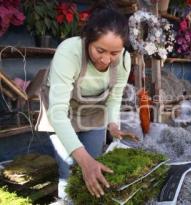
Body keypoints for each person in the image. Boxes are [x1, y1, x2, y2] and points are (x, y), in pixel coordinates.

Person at [35, 3, 133, 201]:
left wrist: (113, 124)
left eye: (114, 53)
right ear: (88, 39)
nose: (106, 60)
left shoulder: (124, 60)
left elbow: (114, 98)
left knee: (94, 165)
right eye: (100, 50)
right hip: (62, 112)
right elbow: (58, 113)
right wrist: (84, 161)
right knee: (70, 167)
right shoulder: (69, 52)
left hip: (93, 111)